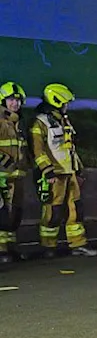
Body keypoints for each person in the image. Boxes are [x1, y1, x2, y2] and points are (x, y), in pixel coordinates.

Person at [31, 83, 97, 257]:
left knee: (75, 210)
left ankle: (78, 244)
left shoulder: (63, 120)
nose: (67, 105)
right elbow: (38, 150)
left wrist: (78, 170)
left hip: (70, 173)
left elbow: (70, 149)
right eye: (65, 102)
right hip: (55, 175)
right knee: (52, 211)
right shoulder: (40, 123)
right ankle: (48, 247)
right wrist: (47, 171)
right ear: (57, 101)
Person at [0, 82, 29, 263]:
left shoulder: (18, 122)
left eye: (18, 100)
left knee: (15, 214)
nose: (15, 103)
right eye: (11, 100)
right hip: (2, 176)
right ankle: (1, 250)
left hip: (17, 175)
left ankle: (10, 247)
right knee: (2, 213)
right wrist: (5, 162)